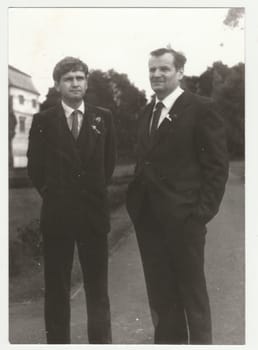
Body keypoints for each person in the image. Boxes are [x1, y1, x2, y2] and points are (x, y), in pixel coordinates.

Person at [126, 47, 229, 344]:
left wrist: (199, 216)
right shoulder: (147, 112)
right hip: (149, 221)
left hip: (185, 222)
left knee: (192, 295)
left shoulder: (201, 108)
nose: (156, 75)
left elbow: (217, 168)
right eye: (152, 70)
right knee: (161, 296)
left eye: (164, 69)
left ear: (180, 72)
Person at [27, 57, 116, 344]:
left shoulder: (103, 117)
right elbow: (36, 169)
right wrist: (56, 195)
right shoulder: (43, 121)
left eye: (79, 77)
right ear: (57, 85)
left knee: (98, 290)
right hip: (58, 217)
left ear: (87, 81)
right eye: (68, 79)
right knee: (56, 289)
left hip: (93, 216)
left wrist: (91, 193)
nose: (75, 83)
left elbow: (109, 163)